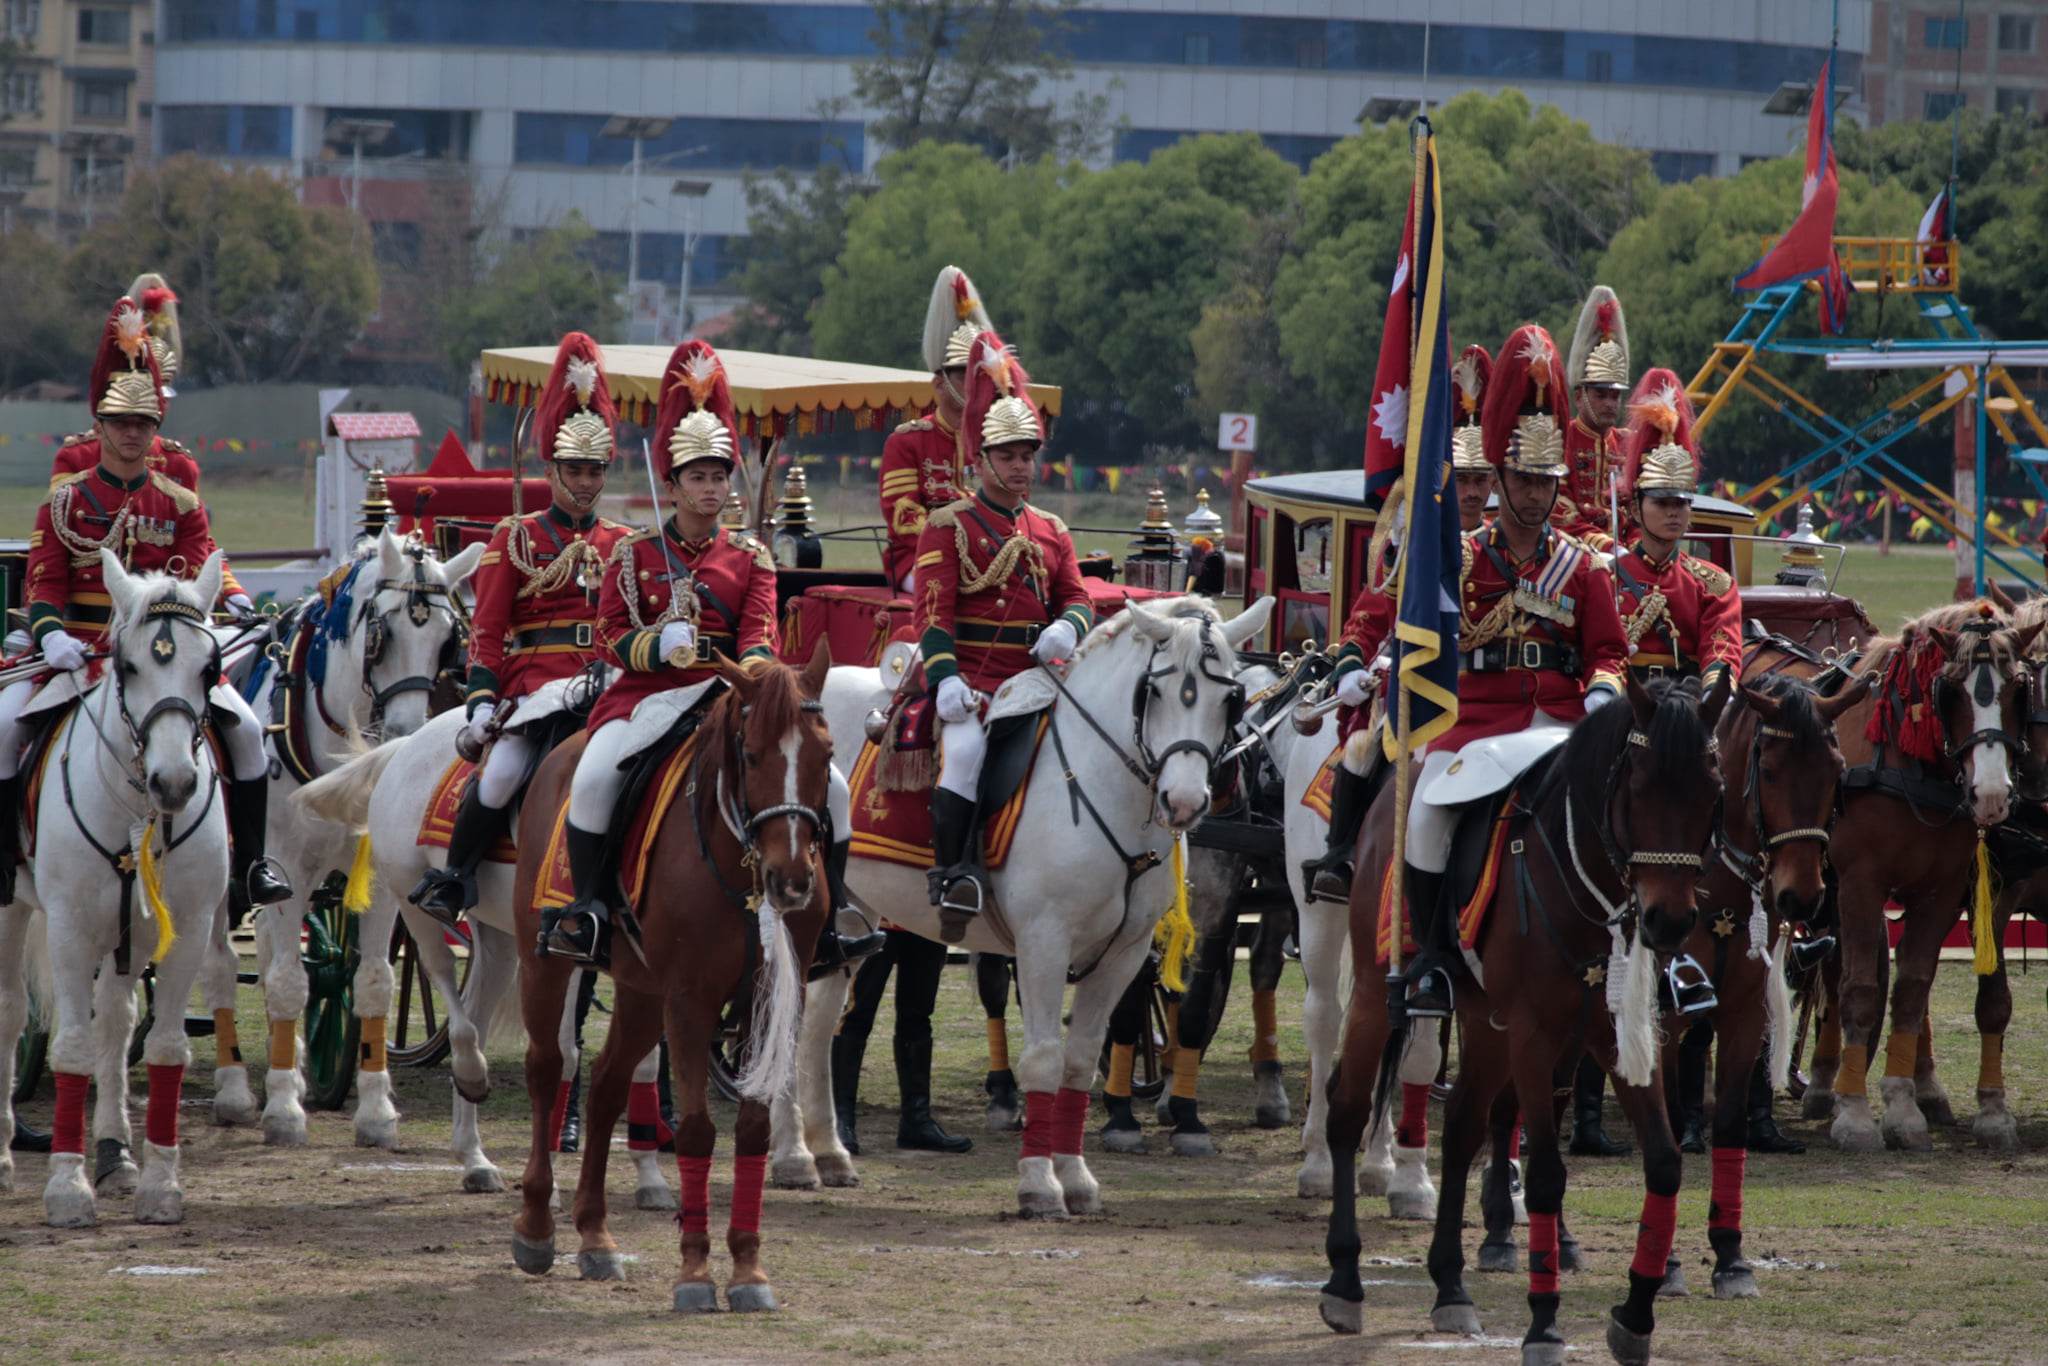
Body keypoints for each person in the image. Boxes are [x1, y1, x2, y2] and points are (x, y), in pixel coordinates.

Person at [0, 297, 289, 916]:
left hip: (165, 659)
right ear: (99, 426)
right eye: (120, 423)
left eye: (143, 424)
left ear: (155, 429)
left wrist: (233, 604)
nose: (132, 434)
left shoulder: (180, 501)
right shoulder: (65, 501)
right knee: (1, 731)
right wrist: (50, 635)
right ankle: (4, 862)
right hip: (80, 653)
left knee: (246, 739)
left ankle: (250, 867)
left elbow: (204, 560)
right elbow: (45, 581)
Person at [1377, 323, 1630, 1018]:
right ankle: (1431, 958)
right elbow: (1423, 641)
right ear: (1501, 477)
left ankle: (1642, 960)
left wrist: (1605, 692)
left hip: (1559, 721)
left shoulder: (1583, 568)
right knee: (1425, 820)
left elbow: (1608, 649)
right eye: (1523, 478)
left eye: (1547, 480)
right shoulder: (1460, 558)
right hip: (1474, 722)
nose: (1537, 493)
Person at [409, 331, 631, 926]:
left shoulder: (624, 545)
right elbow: (486, 631)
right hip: (534, 686)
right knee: (504, 772)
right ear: (551, 467)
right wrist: (483, 700)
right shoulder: (516, 538)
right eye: (574, 469)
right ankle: (455, 874)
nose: (585, 482)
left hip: (609, 685)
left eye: (595, 470)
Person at [912, 330, 1094, 930]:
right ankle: (955, 872)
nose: (1021, 467)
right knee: (963, 754)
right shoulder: (949, 524)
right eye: (1009, 456)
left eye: (1028, 455)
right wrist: (944, 680)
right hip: (971, 680)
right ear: (982, 460)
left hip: (1037, 677)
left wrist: (1068, 627)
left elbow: (1076, 597)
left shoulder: (1051, 529)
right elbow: (932, 614)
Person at [1306, 343, 1494, 903]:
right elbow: (1366, 620)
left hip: (1482, 689)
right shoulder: (1411, 545)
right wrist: (1352, 665)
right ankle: (1339, 859)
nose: (1474, 490)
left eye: (1483, 479)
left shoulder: (1505, 548)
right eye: (1463, 480)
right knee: (1362, 749)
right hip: (1409, 690)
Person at [878, 266, 993, 593]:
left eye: (980, 374)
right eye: (964, 376)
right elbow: (904, 518)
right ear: (939, 383)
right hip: (920, 559)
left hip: (989, 551)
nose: (974, 384)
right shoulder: (907, 441)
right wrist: (964, 539)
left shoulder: (994, 440)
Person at [1557, 284, 1631, 549]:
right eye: (1601, 395)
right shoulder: (1562, 439)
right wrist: (1607, 547)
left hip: (1627, 557)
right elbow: (1560, 511)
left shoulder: (1628, 444)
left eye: (1615, 396)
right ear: (1580, 396)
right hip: (1573, 554)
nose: (1610, 403)